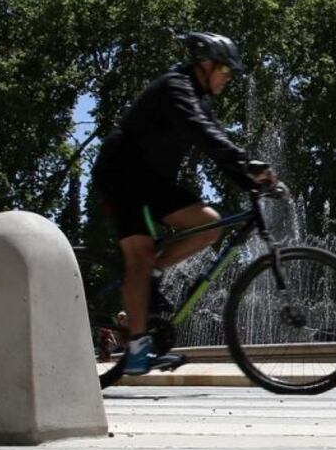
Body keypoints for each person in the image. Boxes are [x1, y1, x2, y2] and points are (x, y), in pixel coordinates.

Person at [91, 31, 278, 376]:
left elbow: (215, 144)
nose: (229, 77)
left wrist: (250, 180)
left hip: (153, 181)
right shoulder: (176, 88)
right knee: (140, 256)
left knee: (209, 225)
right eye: (226, 70)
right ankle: (135, 349)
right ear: (206, 64)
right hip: (123, 176)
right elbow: (199, 131)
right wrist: (248, 162)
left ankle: (153, 274)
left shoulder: (200, 99)